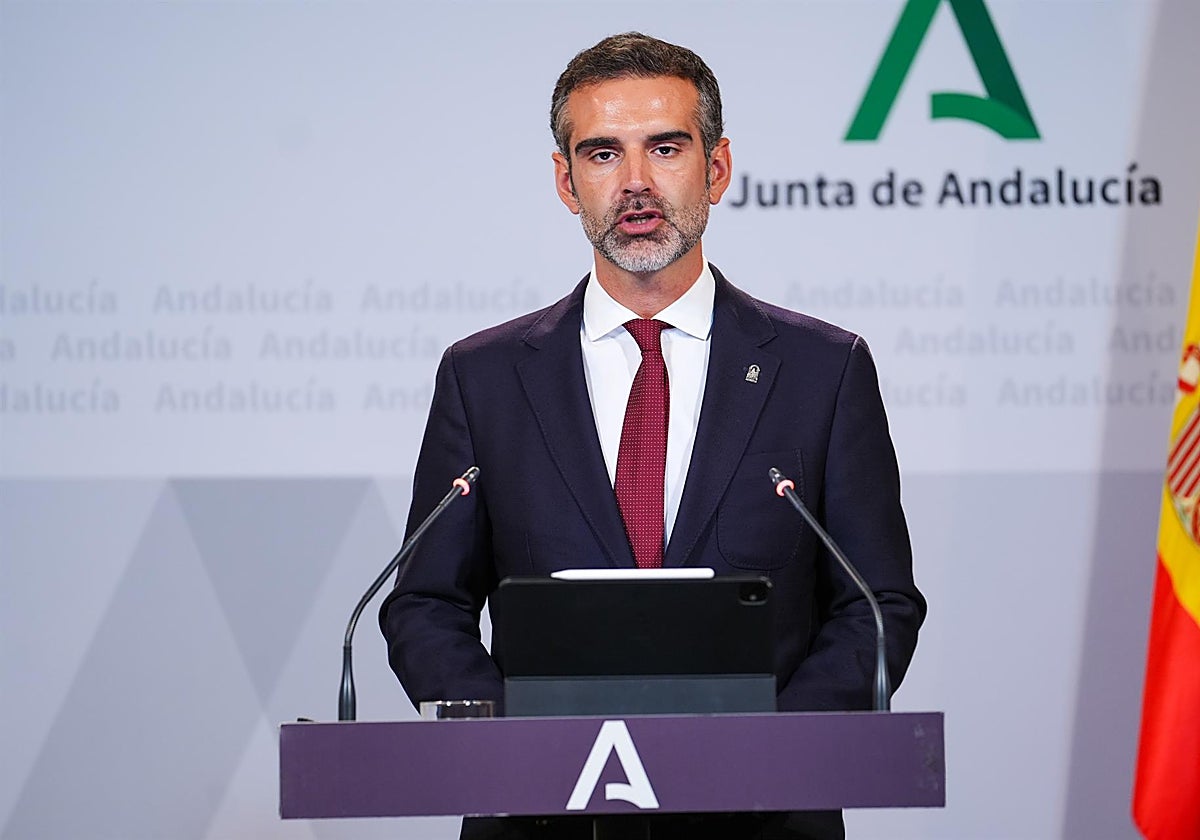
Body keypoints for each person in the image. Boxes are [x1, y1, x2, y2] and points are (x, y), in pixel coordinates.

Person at [379, 32, 926, 840]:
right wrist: (521, 748)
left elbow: (877, 604)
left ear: (717, 168)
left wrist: (770, 752)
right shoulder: (485, 376)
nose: (635, 183)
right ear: (566, 182)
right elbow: (425, 605)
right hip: (541, 819)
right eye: (602, 155)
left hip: (763, 819)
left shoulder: (823, 369)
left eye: (664, 147)